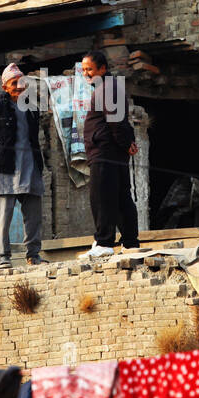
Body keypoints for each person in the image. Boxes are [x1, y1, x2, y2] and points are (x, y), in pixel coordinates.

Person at [0, 63, 46, 267]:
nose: (19, 87)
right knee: (4, 215)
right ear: (5, 87)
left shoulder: (33, 109)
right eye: (13, 83)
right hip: (4, 168)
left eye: (21, 83)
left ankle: (33, 255)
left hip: (30, 166)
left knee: (34, 214)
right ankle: (3, 258)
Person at [78, 50, 139, 259]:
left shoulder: (108, 88)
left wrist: (125, 143)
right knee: (121, 197)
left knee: (102, 197)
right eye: (84, 70)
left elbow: (116, 121)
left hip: (105, 152)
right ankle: (130, 243)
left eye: (90, 69)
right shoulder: (109, 87)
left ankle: (104, 242)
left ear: (102, 69)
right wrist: (127, 143)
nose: (86, 73)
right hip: (112, 151)